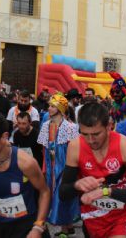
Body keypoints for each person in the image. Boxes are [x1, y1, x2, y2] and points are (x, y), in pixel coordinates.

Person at [59, 102, 126, 238]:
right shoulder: (75, 146)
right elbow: (63, 193)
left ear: (109, 126)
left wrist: (106, 191)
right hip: (93, 217)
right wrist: (77, 185)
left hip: (124, 215)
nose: (90, 140)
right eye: (85, 134)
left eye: (96, 134)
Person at [0, 108, 51, 238]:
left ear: (4, 137)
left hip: (28, 225)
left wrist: (38, 227)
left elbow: (44, 192)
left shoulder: (25, 162)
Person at [36, 93, 79, 237]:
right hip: (50, 166)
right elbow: (44, 149)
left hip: (64, 165)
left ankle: (65, 229)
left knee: (62, 195)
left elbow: (74, 149)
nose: (49, 108)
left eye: (52, 106)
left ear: (60, 108)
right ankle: (66, 225)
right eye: (49, 105)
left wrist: (72, 168)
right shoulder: (45, 126)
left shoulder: (71, 127)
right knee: (53, 195)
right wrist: (44, 167)